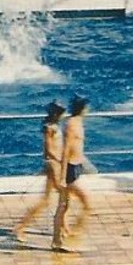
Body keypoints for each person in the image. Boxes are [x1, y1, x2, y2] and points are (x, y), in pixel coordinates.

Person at [14, 101, 67, 241]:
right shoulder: (50, 128)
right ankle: (21, 226)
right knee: (61, 197)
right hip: (54, 165)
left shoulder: (54, 126)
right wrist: (60, 161)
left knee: (51, 199)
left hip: (55, 164)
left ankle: (63, 227)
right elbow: (49, 150)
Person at [51, 96, 91, 253]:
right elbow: (66, 149)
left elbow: (78, 146)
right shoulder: (72, 124)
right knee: (84, 204)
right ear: (82, 108)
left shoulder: (79, 122)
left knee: (64, 205)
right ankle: (72, 234)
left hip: (77, 166)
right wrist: (62, 176)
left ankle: (59, 239)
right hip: (70, 169)